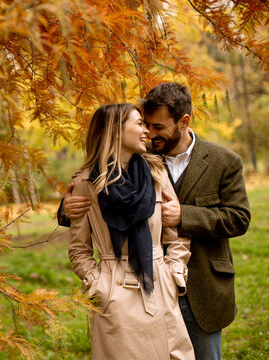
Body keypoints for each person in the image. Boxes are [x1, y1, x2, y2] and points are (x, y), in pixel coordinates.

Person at [60, 83, 251, 360]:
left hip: (198, 284)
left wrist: (184, 219)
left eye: (158, 127)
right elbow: (93, 190)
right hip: (126, 289)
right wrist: (66, 208)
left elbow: (239, 218)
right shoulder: (144, 156)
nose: (150, 133)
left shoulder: (223, 161)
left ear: (183, 122)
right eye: (145, 124)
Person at [68, 103, 194, 359]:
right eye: (139, 124)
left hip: (159, 284)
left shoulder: (156, 171)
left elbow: (175, 231)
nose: (147, 131)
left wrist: (174, 273)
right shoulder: (85, 182)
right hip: (114, 291)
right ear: (116, 131)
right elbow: (79, 248)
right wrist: (97, 284)